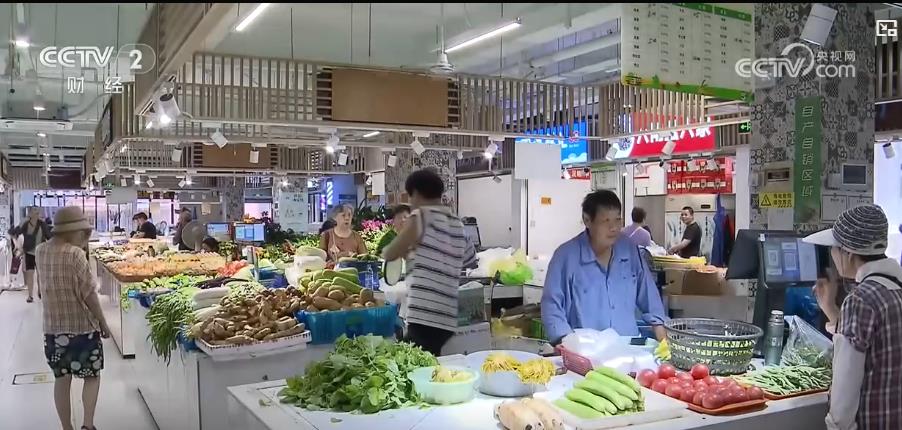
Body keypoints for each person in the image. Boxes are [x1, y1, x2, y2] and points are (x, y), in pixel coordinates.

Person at [803, 205, 902, 430]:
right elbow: (877, 344)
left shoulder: (860, 299)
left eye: (834, 249)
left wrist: (835, 425)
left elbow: (845, 389)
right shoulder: (895, 289)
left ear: (848, 253)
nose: (833, 256)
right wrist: (829, 308)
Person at [541, 190, 667, 344]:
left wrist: (663, 340)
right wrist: (566, 344)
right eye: (606, 221)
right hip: (585, 352)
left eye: (618, 220)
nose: (614, 228)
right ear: (587, 220)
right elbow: (552, 306)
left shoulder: (629, 249)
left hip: (628, 348)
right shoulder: (565, 257)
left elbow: (649, 296)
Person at [35, 206, 112, 430]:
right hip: (82, 329)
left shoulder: (40, 251)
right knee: (91, 376)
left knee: (61, 379)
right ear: (75, 231)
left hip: (52, 329)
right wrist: (103, 323)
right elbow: (89, 294)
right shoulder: (75, 254)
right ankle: (88, 424)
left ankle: (66, 427)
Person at [383, 169, 473, 356]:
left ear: (415, 193)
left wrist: (406, 250)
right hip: (448, 316)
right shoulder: (458, 223)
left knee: (414, 366)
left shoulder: (421, 217)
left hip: (424, 314)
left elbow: (391, 253)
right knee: (429, 360)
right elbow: (469, 259)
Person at [21, 206, 52, 302]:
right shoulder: (25, 224)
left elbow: (48, 237)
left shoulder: (42, 224)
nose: (37, 214)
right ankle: (30, 295)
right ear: (30, 214)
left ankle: (40, 291)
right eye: (34, 212)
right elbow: (19, 235)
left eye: (38, 212)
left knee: (40, 274)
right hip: (29, 253)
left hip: (41, 253)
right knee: (30, 274)